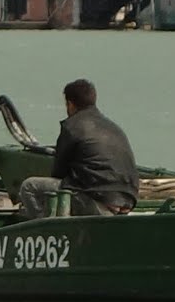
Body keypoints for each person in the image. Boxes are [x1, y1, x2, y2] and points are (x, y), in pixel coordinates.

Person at [18, 79, 140, 219]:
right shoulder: (113, 127)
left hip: (98, 198)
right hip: (128, 200)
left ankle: (45, 231)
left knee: (29, 187)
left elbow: (58, 173)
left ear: (70, 104)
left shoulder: (72, 127)